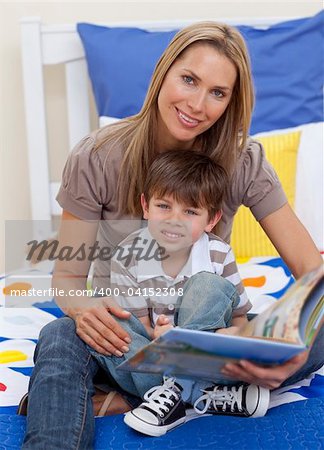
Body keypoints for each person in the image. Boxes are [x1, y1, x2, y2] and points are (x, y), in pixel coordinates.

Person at [21, 21, 323, 449]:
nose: (198, 104)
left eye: (217, 93)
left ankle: (152, 394)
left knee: (318, 327)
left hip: (209, 340)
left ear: (230, 102)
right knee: (59, 337)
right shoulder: (97, 157)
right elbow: (68, 281)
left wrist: (268, 342)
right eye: (189, 80)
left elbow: (314, 276)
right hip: (129, 336)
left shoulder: (243, 162)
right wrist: (86, 311)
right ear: (163, 72)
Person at [87, 149, 269, 437]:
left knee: (209, 286)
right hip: (154, 361)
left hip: (202, 355)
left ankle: (177, 393)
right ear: (145, 206)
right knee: (107, 324)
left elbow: (238, 320)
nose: (174, 220)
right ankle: (203, 396)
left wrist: (223, 338)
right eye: (164, 206)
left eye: (190, 211)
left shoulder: (218, 254)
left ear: (211, 219)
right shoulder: (127, 254)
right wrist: (161, 340)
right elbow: (138, 328)